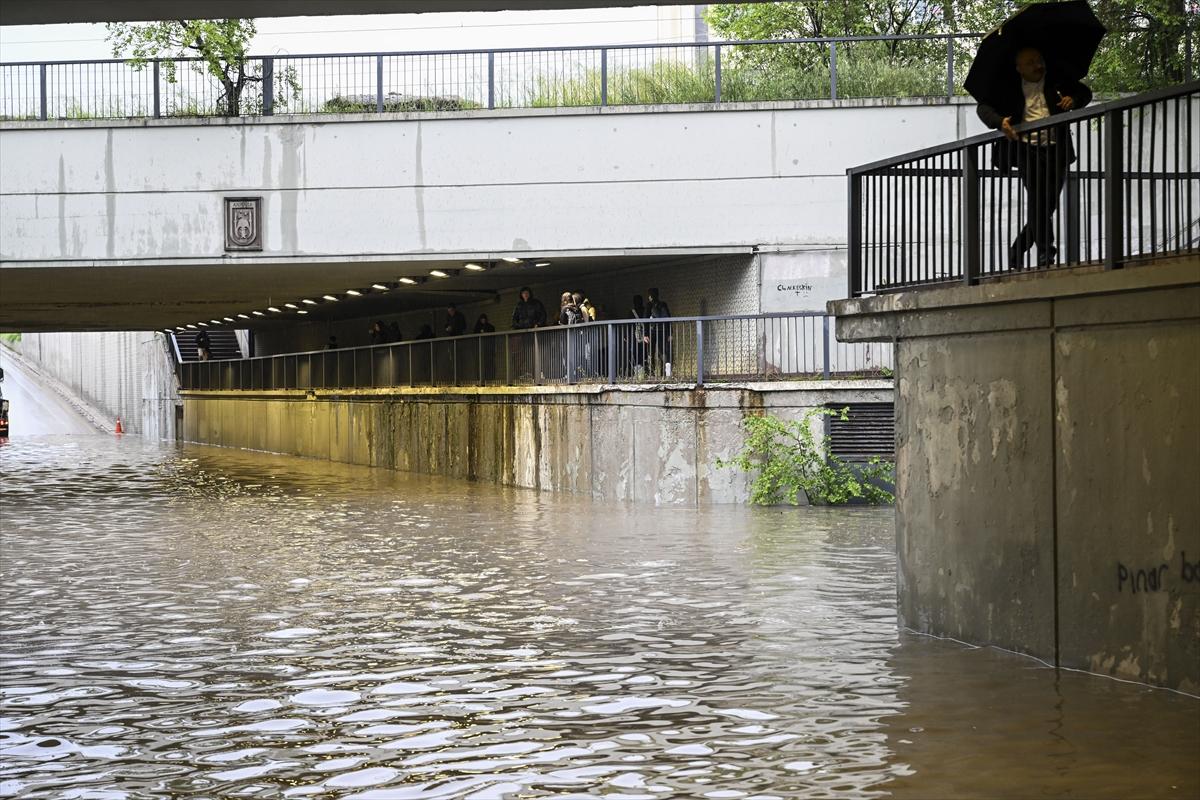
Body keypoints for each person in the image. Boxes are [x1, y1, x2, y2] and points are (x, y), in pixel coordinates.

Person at [976, 46, 1091, 269]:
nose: (1037, 65)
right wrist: (1000, 122)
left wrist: (1073, 100)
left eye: (1039, 60)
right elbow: (983, 107)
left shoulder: (1057, 80)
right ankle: (1046, 254)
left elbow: (1084, 93)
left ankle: (1019, 247)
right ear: (1019, 68)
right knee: (1038, 202)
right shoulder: (1007, 87)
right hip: (1027, 150)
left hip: (1057, 150)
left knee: (1047, 206)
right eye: (1030, 62)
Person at [645, 287, 673, 377]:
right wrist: (670, 333)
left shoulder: (649, 305)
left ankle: (652, 373)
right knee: (662, 352)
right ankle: (663, 373)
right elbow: (668, 319)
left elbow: (645, 320)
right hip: (662, 330)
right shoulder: (662, 304)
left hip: (652, 331)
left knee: (652, 353)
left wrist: (645, 334)